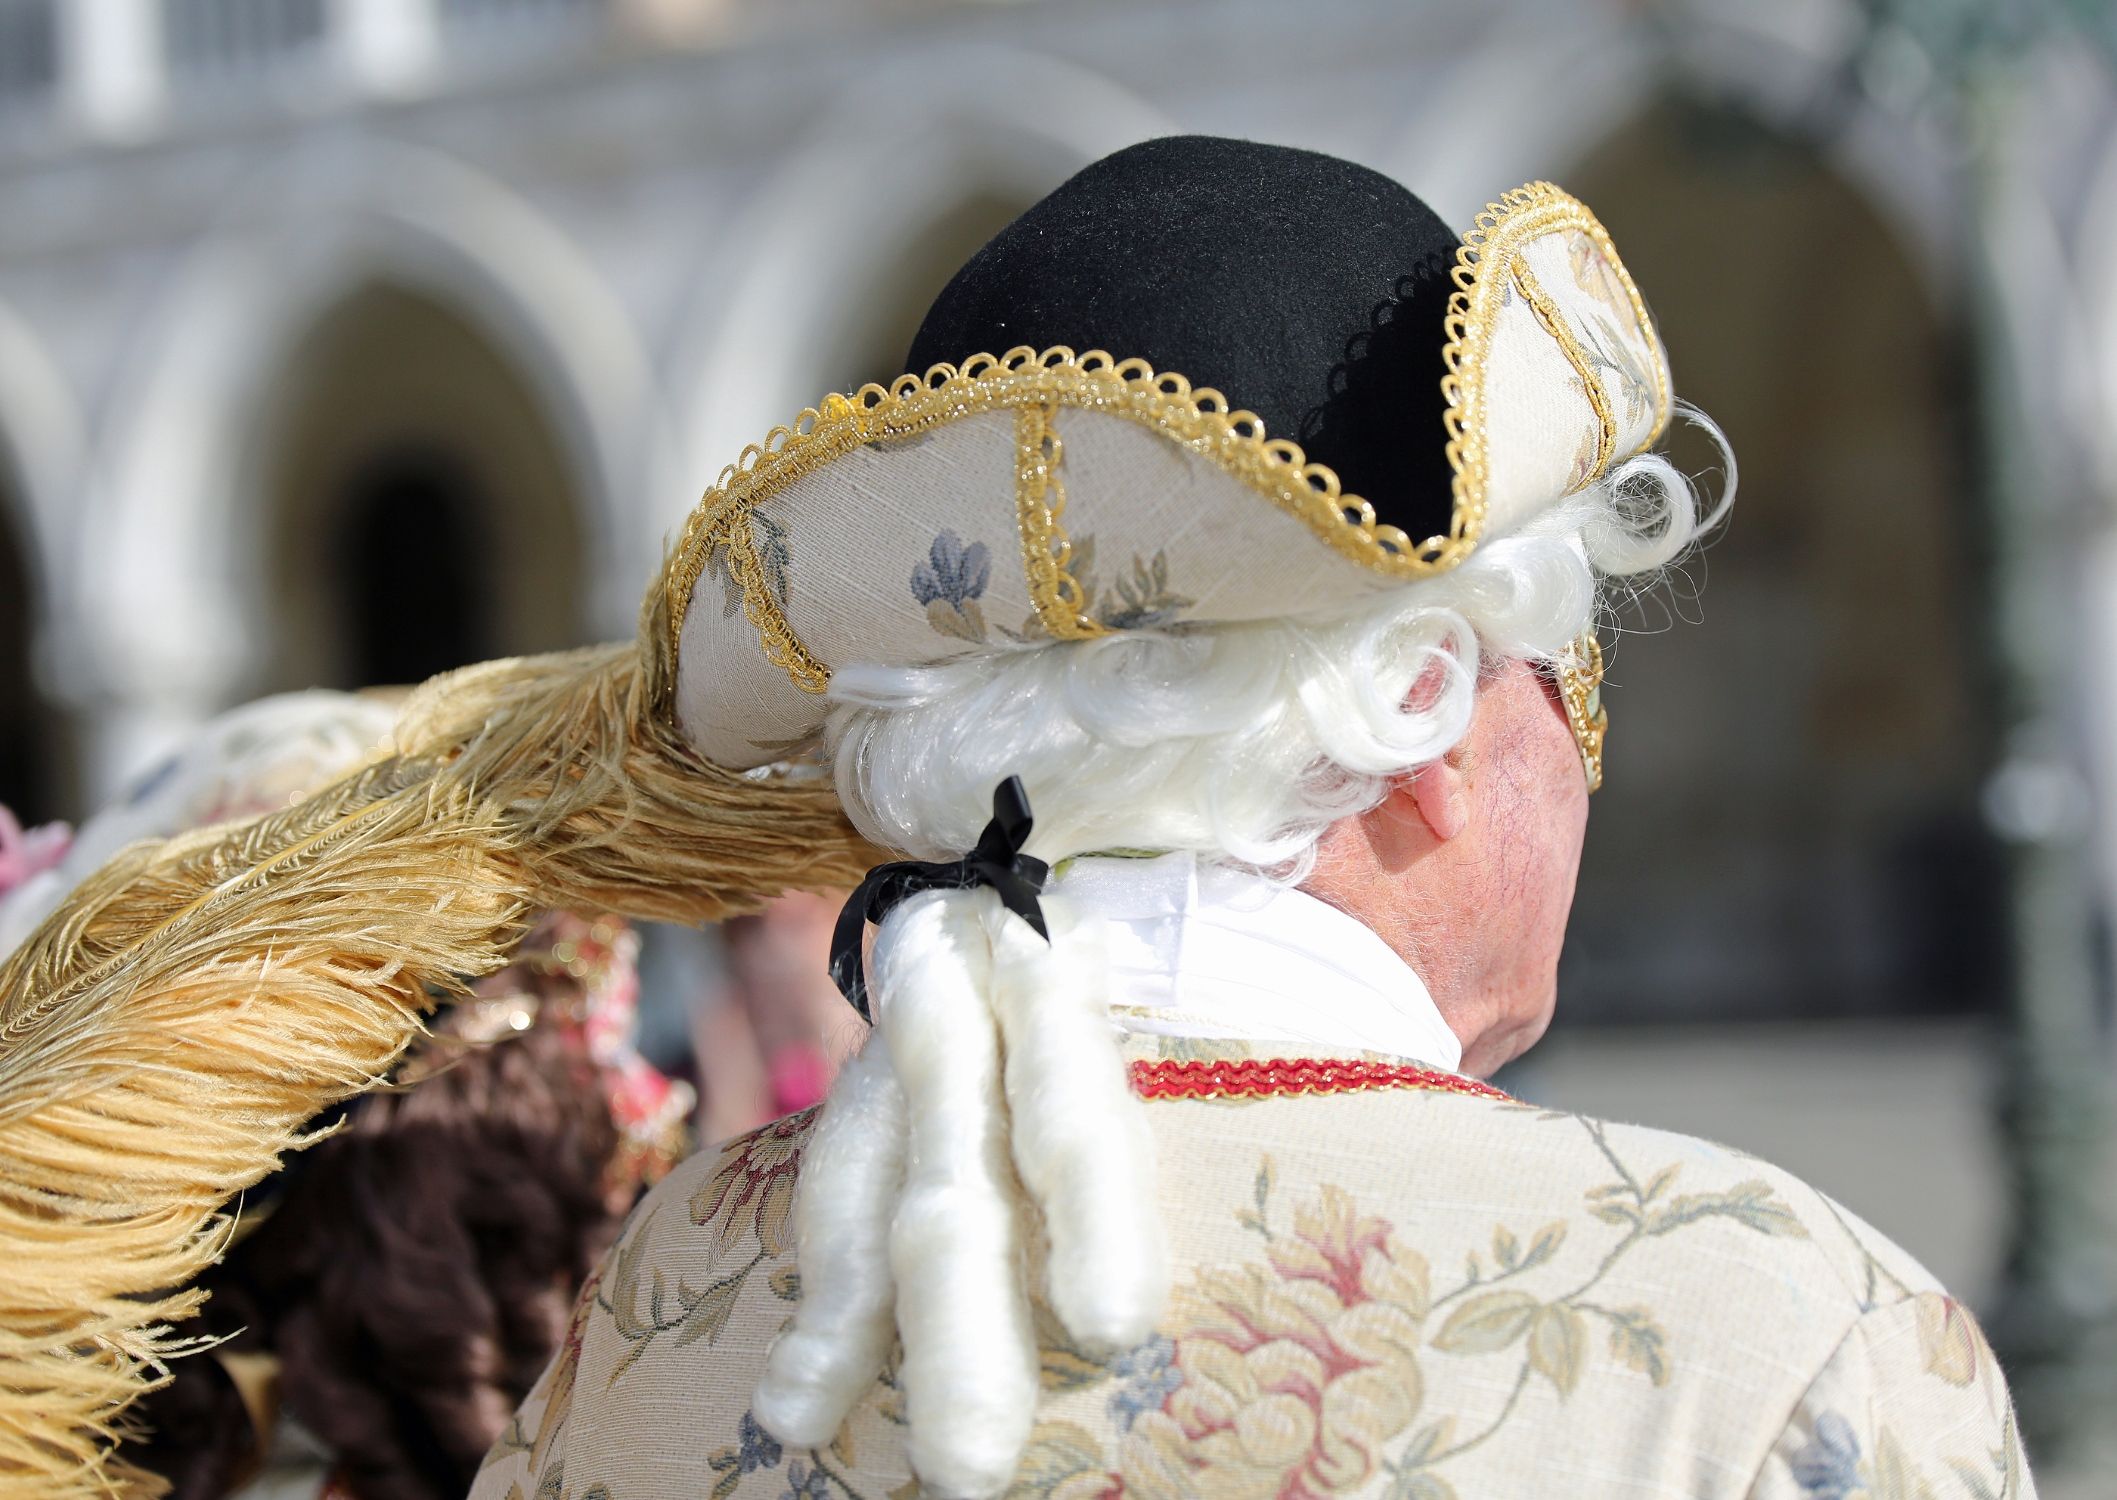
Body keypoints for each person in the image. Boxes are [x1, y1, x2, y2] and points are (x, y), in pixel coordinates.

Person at [0, 137, 2026, 1500]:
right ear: (1428, 706)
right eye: (1568, 675)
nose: (1583, 752)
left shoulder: (672, 1297)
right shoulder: (1772, 1332)